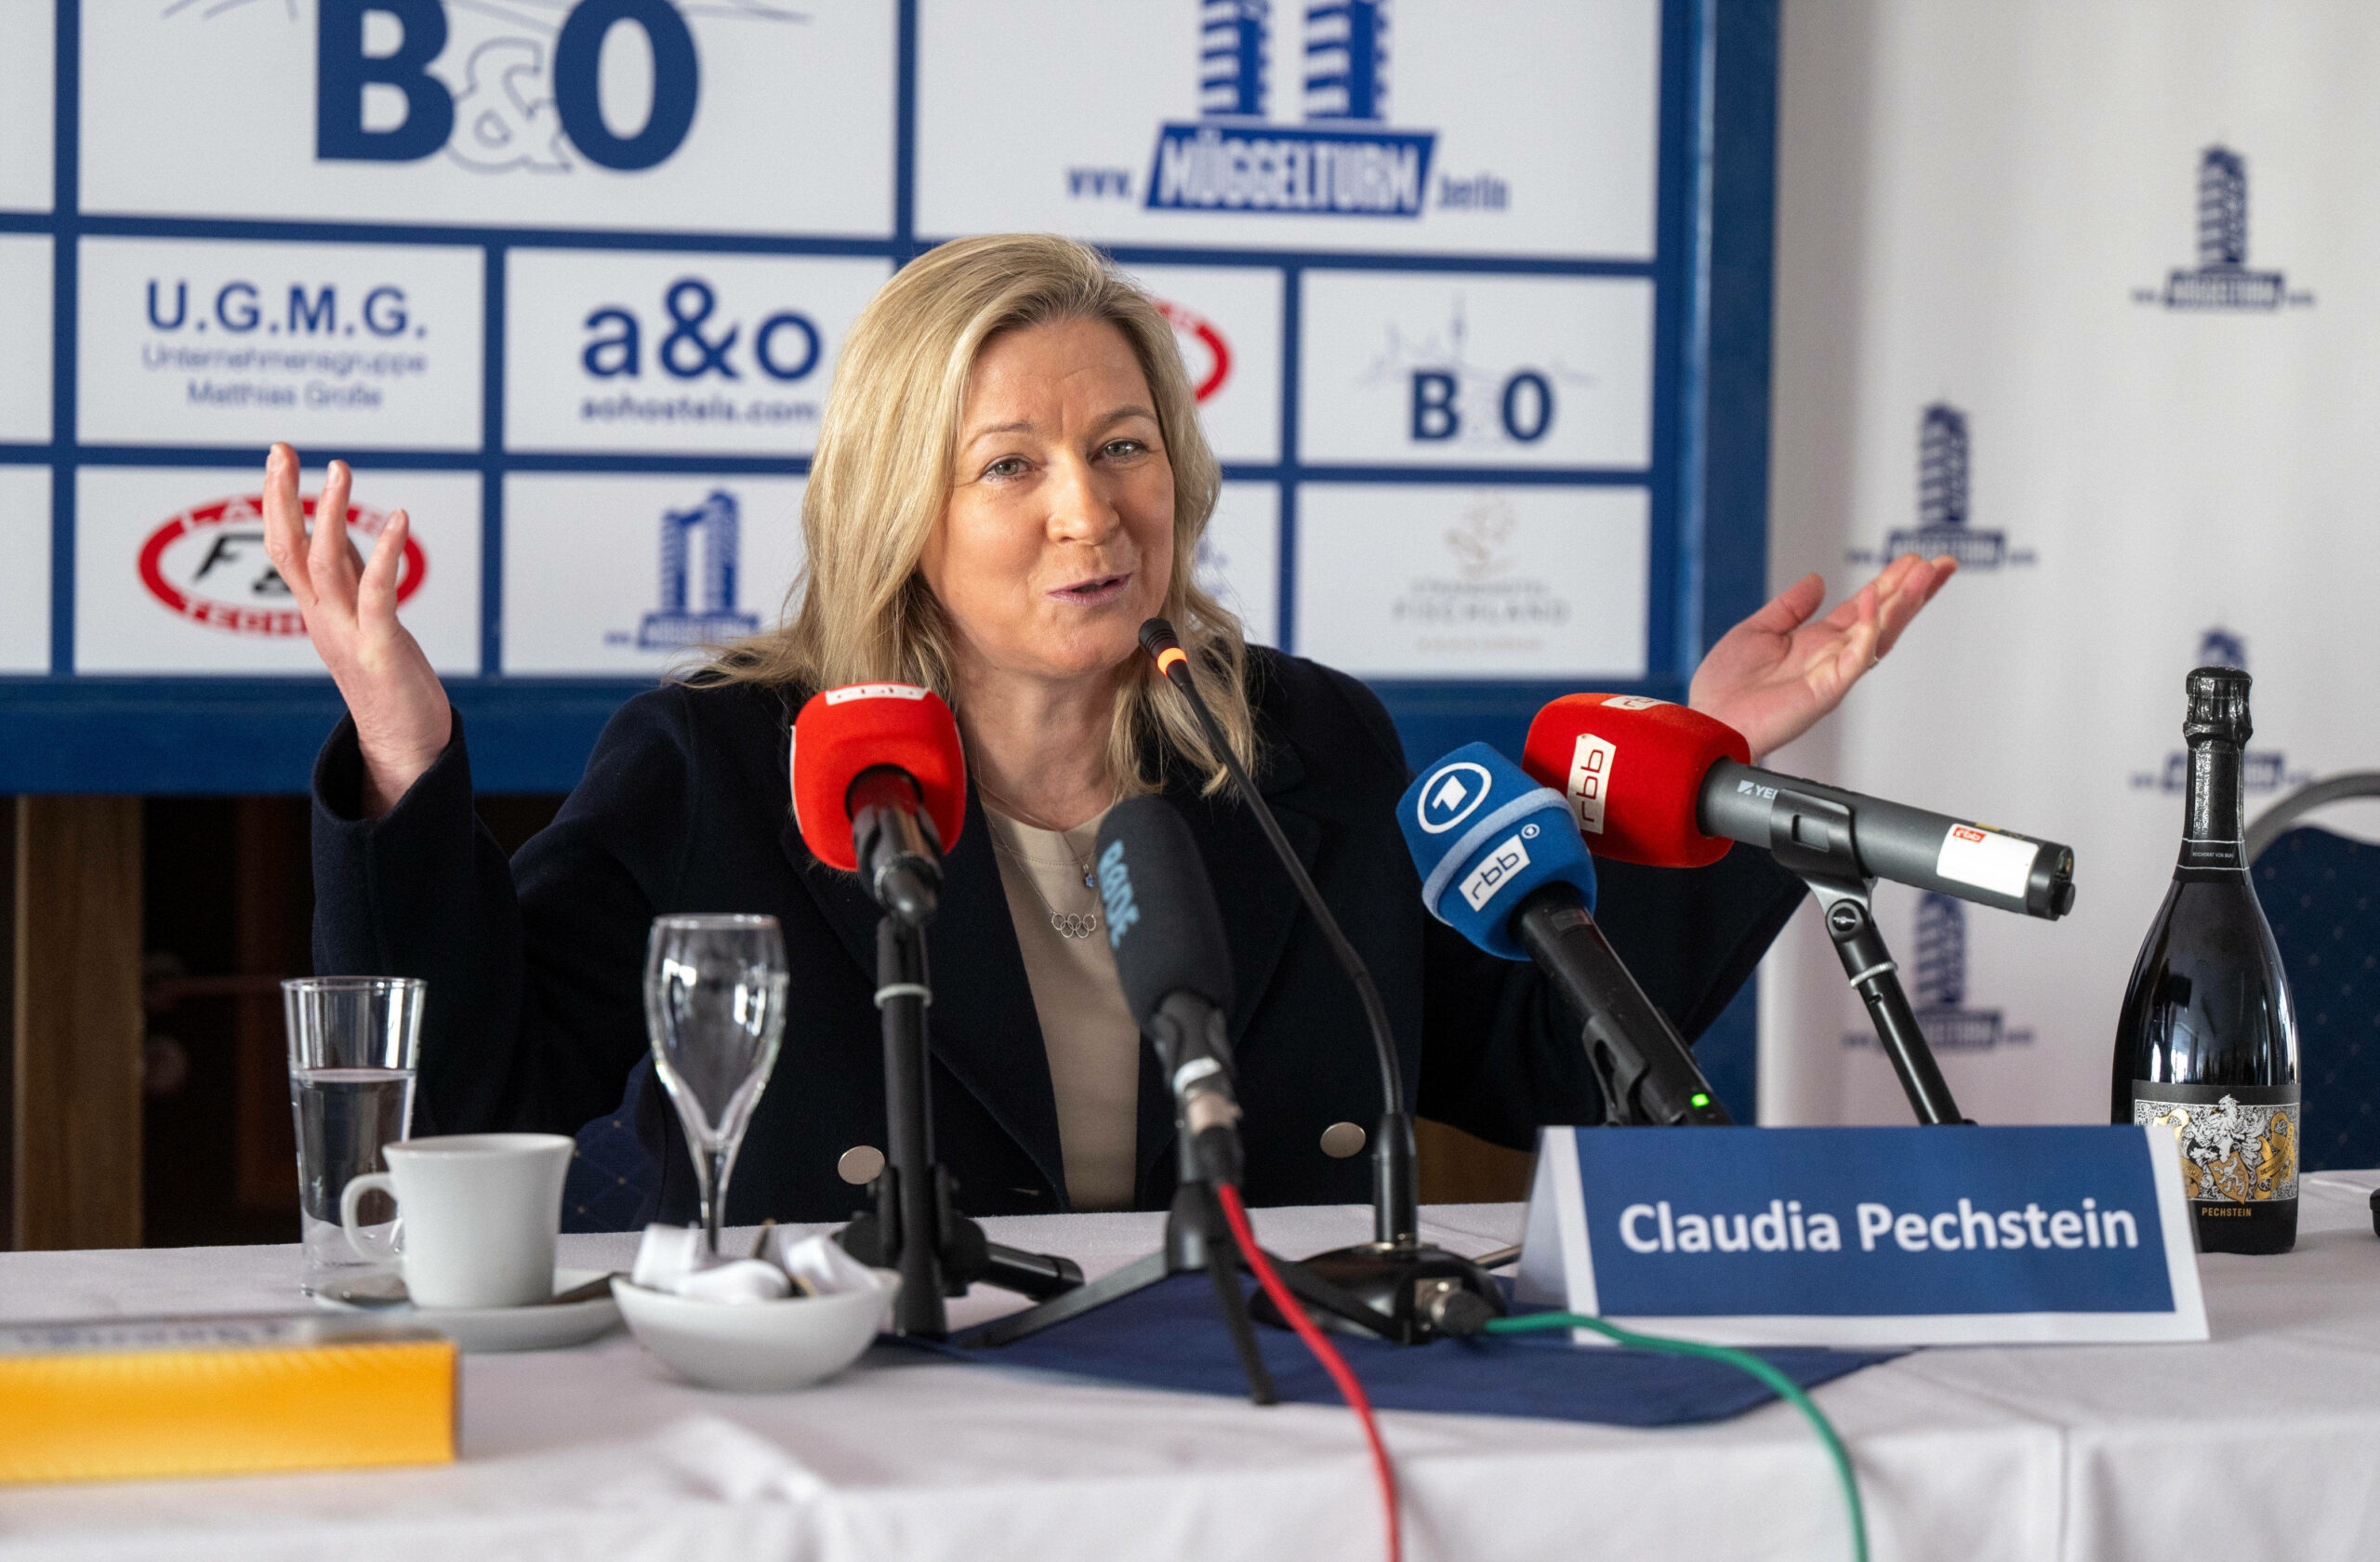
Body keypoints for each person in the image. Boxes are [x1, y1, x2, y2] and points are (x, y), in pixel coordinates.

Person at [271, 234, 1952, 1225]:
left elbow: (1526, 1062)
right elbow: (465, 1092)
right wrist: (406, 752)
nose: (1092, 513)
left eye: (1126, 448)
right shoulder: (724, 761)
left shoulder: (1302, 746)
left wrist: (1710, 778)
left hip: (1251, 1430)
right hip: (855, 1447)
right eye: (1011, 465)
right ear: (904, 506)